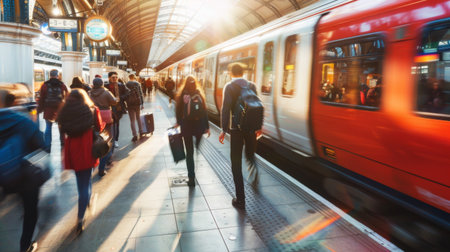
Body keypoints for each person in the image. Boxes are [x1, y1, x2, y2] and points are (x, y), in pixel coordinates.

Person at [0, 90, 46, 252]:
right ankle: (25, 245)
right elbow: (42, 145)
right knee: (30, 210)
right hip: (21, 175)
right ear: (13, 103)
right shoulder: (21, 120)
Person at [57, 89, 104, 235]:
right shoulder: (91, 109)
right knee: (86, 180)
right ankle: (80, 218)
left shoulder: (64, 110)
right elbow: (99, 127)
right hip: (87, 146)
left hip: (73, 147)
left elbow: (62, 129)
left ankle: (85, 201)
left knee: (81, 181)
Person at [219, 63, 262, 210]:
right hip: (251, 130)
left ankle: (241, 200)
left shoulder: (229, 87)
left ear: (231, 73)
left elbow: (225, 109)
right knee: (250, 156)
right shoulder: (252, 85)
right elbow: (257, 106)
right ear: (242, 72)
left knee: (236, 164)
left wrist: (223, 130)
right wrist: (259, 127)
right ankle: (254, 173)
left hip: (236, 130)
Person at [174, 75, 210, 187]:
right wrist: (207, 127)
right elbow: (204, 111)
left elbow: (178, 111)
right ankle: (198, 145)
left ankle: (191, 178)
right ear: (195, 84)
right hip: (198, 126)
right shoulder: (199, 94)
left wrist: (178, 122)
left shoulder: (182, 95)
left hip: (186, 127)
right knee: (196, 143)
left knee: (189, 153)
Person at [89, 78, 117, 177]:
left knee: (96, 139)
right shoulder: (106, 92)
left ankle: (91, 169)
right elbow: (114, 102)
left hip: (94, 116)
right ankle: (105, 162)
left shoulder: (89, 93)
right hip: (106, 115)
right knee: (108, 138)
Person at [37, 69, 68, 152]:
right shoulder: (62, 85)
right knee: (61, 128)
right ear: (57, 76)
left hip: (48, 109)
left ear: (50, 75)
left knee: (48, 127)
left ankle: (47, 146)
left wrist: (39, 109)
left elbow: (42, 98)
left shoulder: (45, 85)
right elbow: (66, 96)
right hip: (60, 110)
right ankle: (63, 144)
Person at [104, 72, 129, 148]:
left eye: (116, 77)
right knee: (108, 125)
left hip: (118, 108)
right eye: (113, 77)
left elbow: (127, 93)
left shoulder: (121, 85)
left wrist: (121, 98)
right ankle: (109, 139)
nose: (115, 79)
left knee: (116, 124)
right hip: (108, 108)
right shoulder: (105, 86)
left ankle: (116, 140)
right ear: (109, 78)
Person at [125, 74, 144, 142]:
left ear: (129, 77)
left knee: (132, 120)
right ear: (134, 77)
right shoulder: (137, 83)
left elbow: (125, 95)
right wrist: (142, 103)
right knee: (138, 118)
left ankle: (134, 135)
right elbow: (140, 94)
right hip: (137, 104)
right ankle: (141, 131)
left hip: (130, 104)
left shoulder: (126, 84)